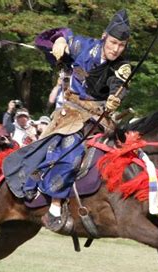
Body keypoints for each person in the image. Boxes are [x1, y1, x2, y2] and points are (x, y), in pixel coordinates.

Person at [26, 9, 132, 229]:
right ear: (104, 36)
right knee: (72, 151)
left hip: (99, 117)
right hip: (72, 113)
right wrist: (61, 40)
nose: (116, 49)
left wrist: (115, 97)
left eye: (121, 45)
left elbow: (119, 85)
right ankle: (54, 205)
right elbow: (59, 34)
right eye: (112, 42)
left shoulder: (122, 65)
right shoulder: (82, 45)